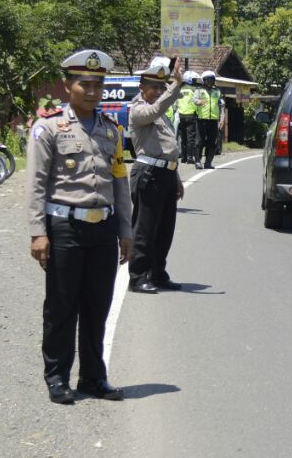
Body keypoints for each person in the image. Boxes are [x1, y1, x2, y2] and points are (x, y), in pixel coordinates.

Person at [27, 49, 132, 405]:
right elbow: (36, 184)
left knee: (96, 306)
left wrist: (126, 231)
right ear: (67, 86)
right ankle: (57, 377)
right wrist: (38, 232)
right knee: (61, 306)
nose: (92, 91)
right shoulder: (49, 128)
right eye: (84, 84)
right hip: (64, 228)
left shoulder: (111, 130)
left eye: (98, 84)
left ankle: (92, 377)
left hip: (102, 229)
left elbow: (120, 182)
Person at [127, 56, 185, 294]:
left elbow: (167, 148)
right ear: (142, 87)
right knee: (145, 229)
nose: (159, 91)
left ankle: (158, 273)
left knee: (164, 230)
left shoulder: (160, 113)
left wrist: (177, 178)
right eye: (154, 86)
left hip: (166, 174)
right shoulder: (139, 110)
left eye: (162, 86)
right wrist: (175, 85)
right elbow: (157, 107)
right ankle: (138, 276)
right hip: (148, 174)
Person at [193, 70, 225, 169]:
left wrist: (222, 119)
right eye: (208, 80)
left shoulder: (217, 91)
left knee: (212, 142)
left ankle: (208, 162)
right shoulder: (199, 90)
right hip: (202, 119)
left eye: (212, 80)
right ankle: (198, 161)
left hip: (213, 120)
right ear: (204, 80)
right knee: (200, 141)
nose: (210, 82)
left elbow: (222, 106)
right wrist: (199, 102)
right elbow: (194, 100)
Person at [175, 73, 199, 165]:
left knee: (183, 137)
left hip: (181, 116)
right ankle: (190, 157)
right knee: (190, 138)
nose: (195, 81)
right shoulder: (194, 89)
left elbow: (176, 103)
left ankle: (183, 158)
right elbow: (196, 101)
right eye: (193, 79)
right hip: (191, 115)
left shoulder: (179, 88)